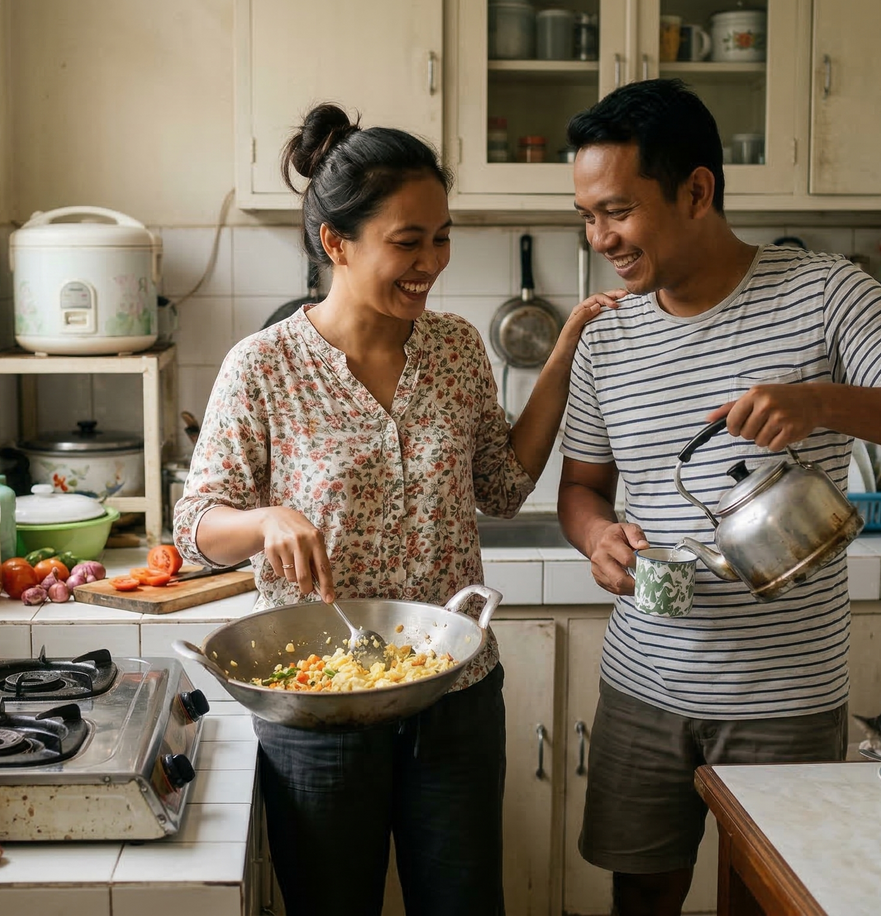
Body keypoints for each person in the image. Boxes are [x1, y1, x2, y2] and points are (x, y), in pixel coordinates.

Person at [557, 80, 881, 916]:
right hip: (644, 679)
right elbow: (581, 488)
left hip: (787, 697)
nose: (599, 236)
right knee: (641, 891)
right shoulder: (607, 335)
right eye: (587, 215)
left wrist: (821, 401)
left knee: (766, 897)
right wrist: (597, 537)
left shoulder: (824, 292)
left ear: (696, 190)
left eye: (615, 210)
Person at [174, 102, 619, 916]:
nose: (431, 263)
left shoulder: (454, 350)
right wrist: (267, 519)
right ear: (335, 244)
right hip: (320, 701)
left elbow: (502, 486)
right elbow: (198, 525)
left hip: (454, 690)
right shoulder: (264, 366)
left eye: (442, 237)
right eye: (407, 243)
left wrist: (562, 355)